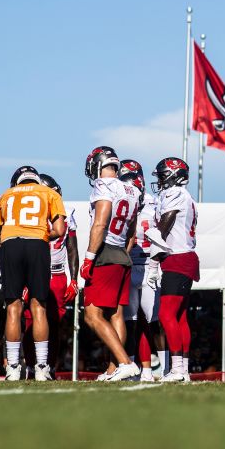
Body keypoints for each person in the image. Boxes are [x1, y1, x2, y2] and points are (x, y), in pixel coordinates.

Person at [0, 165, 67, 381]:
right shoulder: (50, 193)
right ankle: (42, 368)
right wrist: (42, 234)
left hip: (10, 244)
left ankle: (13, 367)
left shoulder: (6, 195)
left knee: (13, 308)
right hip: (37, 244)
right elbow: (60, 230)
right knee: (38, 307)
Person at [80, 146, 142, 382]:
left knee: (92, 315)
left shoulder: (104, 185)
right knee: (116, 313)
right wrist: (122, 255)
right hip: (122, 255)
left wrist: (88, 258)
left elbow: (100, 224)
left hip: (105, 252)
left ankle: (125, 362)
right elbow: (132, 234)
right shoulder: (133, 189)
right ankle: (112, 369)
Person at [118, 159, 169, 382]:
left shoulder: (154, 203)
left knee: (153, 320)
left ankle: (167, 369)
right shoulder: (122, 200)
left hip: (150, 265)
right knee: (130, 320)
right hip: (130, 265)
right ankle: (134, 368)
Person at [153, 157, 200, 382]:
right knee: (180, 316)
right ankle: (183, 369)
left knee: (166, 314)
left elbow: (167, 220)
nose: (160, 180)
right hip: (183, 256)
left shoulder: (177, 194)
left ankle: (178, 369)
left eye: (162, 175)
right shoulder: (184, 196)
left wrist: (154, 248)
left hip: (178, 257)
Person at [39, 173, 78, 374]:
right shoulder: (33, 211)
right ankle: (32, 366)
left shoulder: (67, 212)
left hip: (57, 274)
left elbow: (72, 248)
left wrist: (74, 280)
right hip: (37, 272)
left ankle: (50, 366)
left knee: (54, 323)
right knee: (30, 321)